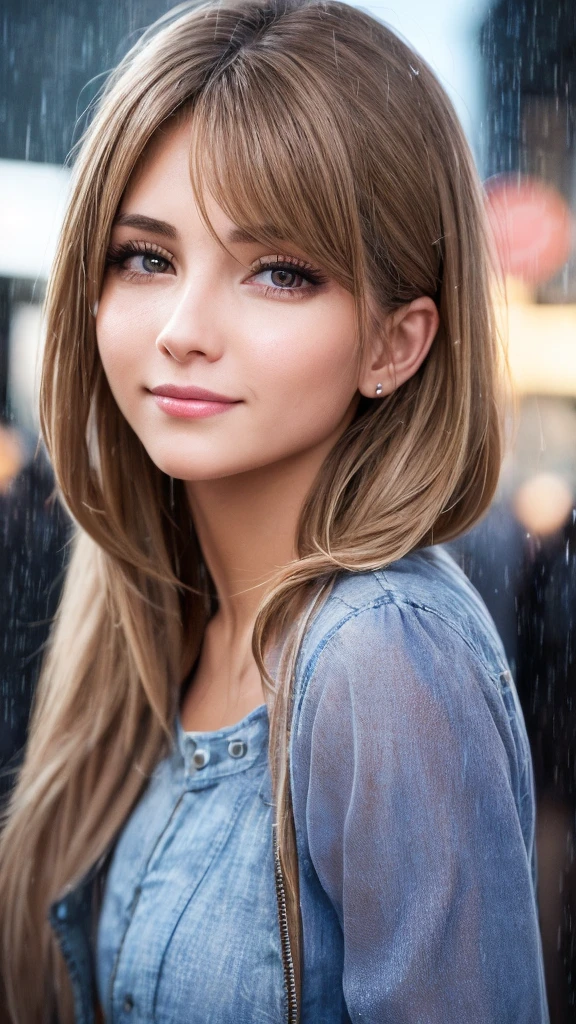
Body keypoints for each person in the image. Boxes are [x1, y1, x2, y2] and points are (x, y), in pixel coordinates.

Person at [0, 0, 549, 1021]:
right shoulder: (155, 614)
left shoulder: (383, 654)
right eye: (146, 256)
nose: (183, 330)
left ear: (398, 342)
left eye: (280, 272)